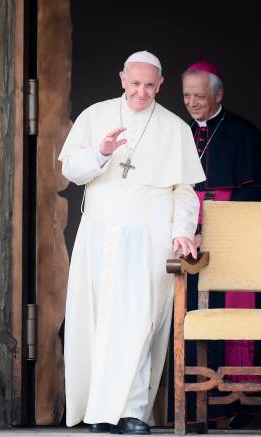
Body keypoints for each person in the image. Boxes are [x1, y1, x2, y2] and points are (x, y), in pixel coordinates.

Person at [59, 50, 205, 434]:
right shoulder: (95, 116)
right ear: (122, 78)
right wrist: (102, 152)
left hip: (150, 237)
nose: (141, 92)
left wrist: (182, 231)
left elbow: (185, 190)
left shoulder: (175, 128)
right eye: (135, 83)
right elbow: (72, 171)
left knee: (140, 322)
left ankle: (133, 412)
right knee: (99, 320)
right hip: (100, 235)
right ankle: (99, 413)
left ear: (160, 85)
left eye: (149, 85)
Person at [176, 61, 261, 428]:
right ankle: (194, 409)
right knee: (192, 321)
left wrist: (216, 230)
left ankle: (238, 407)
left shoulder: (243, 134)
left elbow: (252, 193)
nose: (192, 103)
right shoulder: (179, 134)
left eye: (199, 96)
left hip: (234, 241)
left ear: (218, 94)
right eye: (186, 95)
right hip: (189, 246)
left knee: (235, 322)